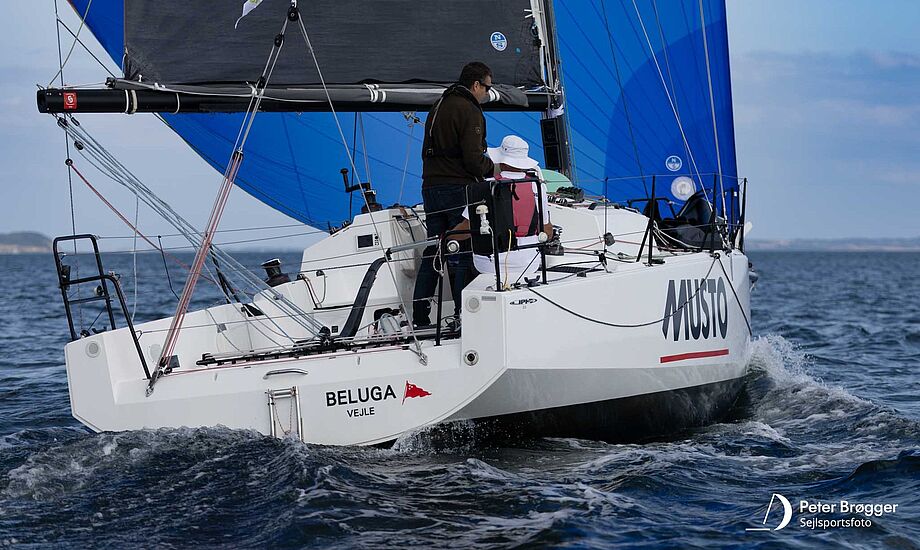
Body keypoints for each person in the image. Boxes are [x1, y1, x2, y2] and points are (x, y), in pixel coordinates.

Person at [412, 61, 496, 328]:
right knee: (463, 248)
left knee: (435, 249)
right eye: (487, 87)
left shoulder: (438, 105)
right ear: (475, 85)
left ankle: (420, 316)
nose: (488, 93)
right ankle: (464, 315)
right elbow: (473, 160)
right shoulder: (469, 109)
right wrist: (494, 168)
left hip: (431, 188)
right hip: (457, 189)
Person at [454, 135, 553, 284]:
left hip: (490, 264)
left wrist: (445, 238)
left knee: (464, 261)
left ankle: (459, 299)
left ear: (501, 161)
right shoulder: (538, 186)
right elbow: (547, 230)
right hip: (528, 263)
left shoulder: (486, 186)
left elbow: (467, 228)